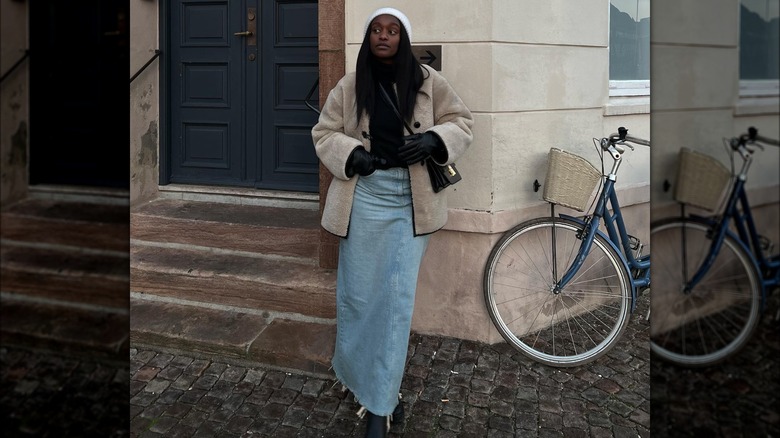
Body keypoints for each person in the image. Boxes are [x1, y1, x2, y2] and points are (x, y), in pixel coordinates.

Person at [312, 7, 473, 437]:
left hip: (408, 202)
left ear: (403, 38)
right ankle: (355, 376)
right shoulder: (350, 85)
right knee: (358, 298)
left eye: (393, 31)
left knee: (394, 304)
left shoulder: (429, 83)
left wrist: (432, 139)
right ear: (367, 38)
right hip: (364, 198)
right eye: (376, 30)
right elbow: (323, 133)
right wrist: (352, 154)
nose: (384, 37)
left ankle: (380, 404)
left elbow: (462, 123)